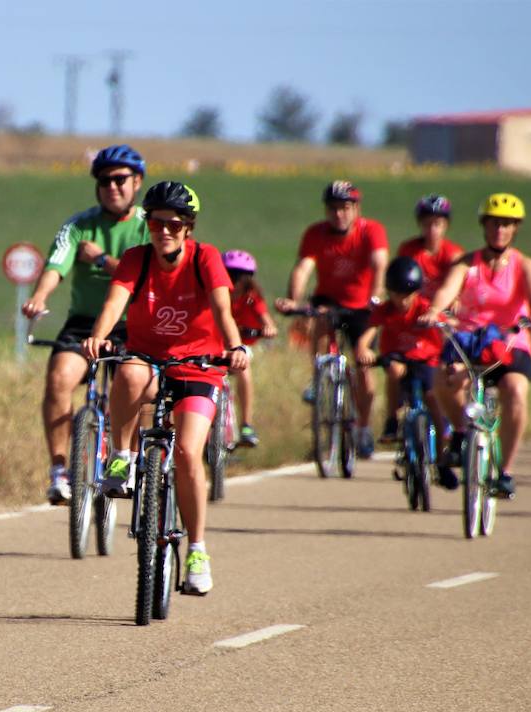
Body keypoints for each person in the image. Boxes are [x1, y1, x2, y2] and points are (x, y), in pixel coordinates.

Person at [82, 182, 248, 596]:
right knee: (129, 372)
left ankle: (196, 550)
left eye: (174, 224)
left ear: (188, 227)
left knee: (190, 451)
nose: (165, 231)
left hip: (200, 364)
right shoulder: (136, 260)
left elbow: (223, 309)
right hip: (149, 357)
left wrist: (235, 346)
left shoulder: (205, 258)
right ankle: (122, 457)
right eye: (157, 222)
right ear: (148, 224)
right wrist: (98, 336)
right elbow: (113, 304)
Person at [21, 145, 150, 504]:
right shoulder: (78, 225)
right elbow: (55, 266)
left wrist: (103, 260)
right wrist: (40, 297)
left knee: (140, 386)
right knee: (59, 378)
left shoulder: (148, 226)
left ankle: (129, 460)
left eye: (120, 180)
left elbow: (145, 278)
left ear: (137, 182)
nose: (112, 187)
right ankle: (60, 470)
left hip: (132, 323)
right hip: (83, 323)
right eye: (104, 180)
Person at [423, 193, 531, 499]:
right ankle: (462, 433)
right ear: (484, 226)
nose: (499, 230)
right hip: (470, 341)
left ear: (515, 228)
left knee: (515, 392)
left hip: (509, 341)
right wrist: (434, 311)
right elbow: (446, 292)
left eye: (506, 225)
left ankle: (505, 471)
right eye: (494, 224)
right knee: (444, 382)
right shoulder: (467, 264)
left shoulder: (524, 265)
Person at [275, 180, 389, 458]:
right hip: (329, 300)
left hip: (363, 305)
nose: (339, 214)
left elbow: (379, 263)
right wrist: (294, 299)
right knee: (320, 321)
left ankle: (362, 428)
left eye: (345, 208)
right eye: (333, 208)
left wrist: (376, 294)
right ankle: (319, 375)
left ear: (356, 209)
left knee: (363, 366)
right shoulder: (316, 233)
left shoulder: (371, 231)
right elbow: (303, 268)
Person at [356, 256, 456, 489]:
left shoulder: (425, 308)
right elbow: (368, 335)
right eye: (396, 294)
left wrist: (449, 356)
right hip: (397, 357)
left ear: (416, 293)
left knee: (434, 399)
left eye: (407, 294)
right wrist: (363, 350)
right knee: (393, 370)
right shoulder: (385, 310)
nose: (401, 300)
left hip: (426, 360)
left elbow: (445, 332)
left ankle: (443, 461)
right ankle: (392, 419)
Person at [388, 194, 463, 440]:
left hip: (442, 318)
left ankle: (451, 421)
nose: (432, 229)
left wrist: (449, 312)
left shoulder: (453, 254)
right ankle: (395, 412)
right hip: (416, 315)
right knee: (396, 363)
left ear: (446, 226)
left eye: (438, 224)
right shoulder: (409, 250)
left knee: (445, 369)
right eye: (427, 223)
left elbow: (458, 290)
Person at [221, 249, 277, 447]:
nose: (235, 281)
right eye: (230, 274)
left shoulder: (251, 296)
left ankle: (246, 424)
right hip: (217, 344)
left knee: (242, 369)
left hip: (242, 345)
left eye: (240, 276)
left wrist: (267, 329)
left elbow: (267, 321)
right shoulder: (217, 292)